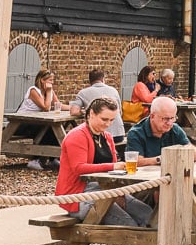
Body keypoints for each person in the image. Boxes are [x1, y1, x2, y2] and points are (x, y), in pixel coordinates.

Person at [55, 97, 153, 230]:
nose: (108, 124)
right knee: (128, 225)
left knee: (148, 215)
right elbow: (79, 168)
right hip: (78, 196)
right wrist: (113, 166)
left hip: (105, 189)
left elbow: (114, 169)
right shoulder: (77, 136)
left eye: (112, 120)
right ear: (91, 114)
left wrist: (117, 190)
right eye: (104, 119)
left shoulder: (107, 137)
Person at [126, 96, 196, 164]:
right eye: (166, 119)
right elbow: (136, 162)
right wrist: (160, 159)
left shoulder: (175, 129)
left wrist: (188, 151)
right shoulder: (136, 133)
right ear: (152, 116)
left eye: (172, 118)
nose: (169, 123)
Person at [17, 69, 61, 169]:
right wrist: (49, 92)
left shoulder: (49, 92)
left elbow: (58, 105)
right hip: (22, 123)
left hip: (36, 122)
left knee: (53, 128)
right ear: (42, 80)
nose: (52, 83)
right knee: (47, 129)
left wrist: (75, 108)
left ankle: (53, 158)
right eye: (50, 80)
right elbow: (46, 108)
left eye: (52, 80)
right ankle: (36, 160)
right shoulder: (33, 90)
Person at [69, 69, 124, 141]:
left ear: (90, 81)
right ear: (103, 79)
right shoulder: (114, 90)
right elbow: (120, 112)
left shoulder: (83, 92)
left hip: (100, 135)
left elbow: (74, 112)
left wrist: (84, 112)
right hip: (118, 134)